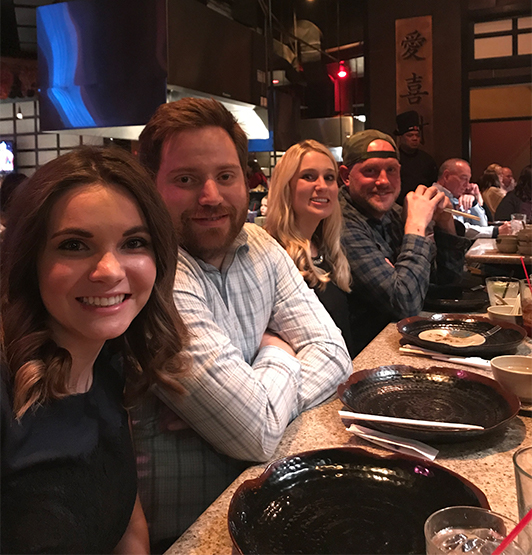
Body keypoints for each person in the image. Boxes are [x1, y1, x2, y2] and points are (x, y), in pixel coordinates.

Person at [134, 97, 352, 550]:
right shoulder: (152, 271)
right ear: (151, 187)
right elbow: (255, 433)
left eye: (225, 176)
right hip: (191, 534)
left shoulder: (257, 243)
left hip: (273, 503)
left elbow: (334, 353)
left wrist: (256, 395)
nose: (210, 196)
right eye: (186, 179)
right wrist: (278, 351)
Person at [1, 146, 189, 554]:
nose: (109, 270)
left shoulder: (108, 366)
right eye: (73, 245)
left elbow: (125, 520)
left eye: (134, 242)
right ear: (30, 261)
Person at [339, 130, 470, 355]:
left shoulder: (394, 214)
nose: (383, 181)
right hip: (366, 357)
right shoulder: (341, 224)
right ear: (346, 176)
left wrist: (444, 222)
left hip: (402, 343)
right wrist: (417, 228)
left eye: (391, 170)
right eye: (370, 171)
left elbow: (447, 283)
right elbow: (405, 304)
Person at [264, 140, 356, 358]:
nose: (322, 185)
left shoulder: (328, 248)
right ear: (286, 185)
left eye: (329, 177)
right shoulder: (271, 253)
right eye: (308, 176)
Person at [434, 159, 512, 238]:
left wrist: (474, 202)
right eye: (464, 178)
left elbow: (482, 224)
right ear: (446, 176)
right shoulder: (435, 197)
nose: (467, 185)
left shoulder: (457, 196)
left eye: (469, 180)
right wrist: (496, 231)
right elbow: (459, 229)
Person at [393, 110, 438, 205]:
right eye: (410, 135)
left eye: (417, 135)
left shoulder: (427, 160)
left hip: (423, 205)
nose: (414, 138)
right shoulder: (394, 159)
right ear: (401, 137)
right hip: (397, 207)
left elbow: (434, 185)